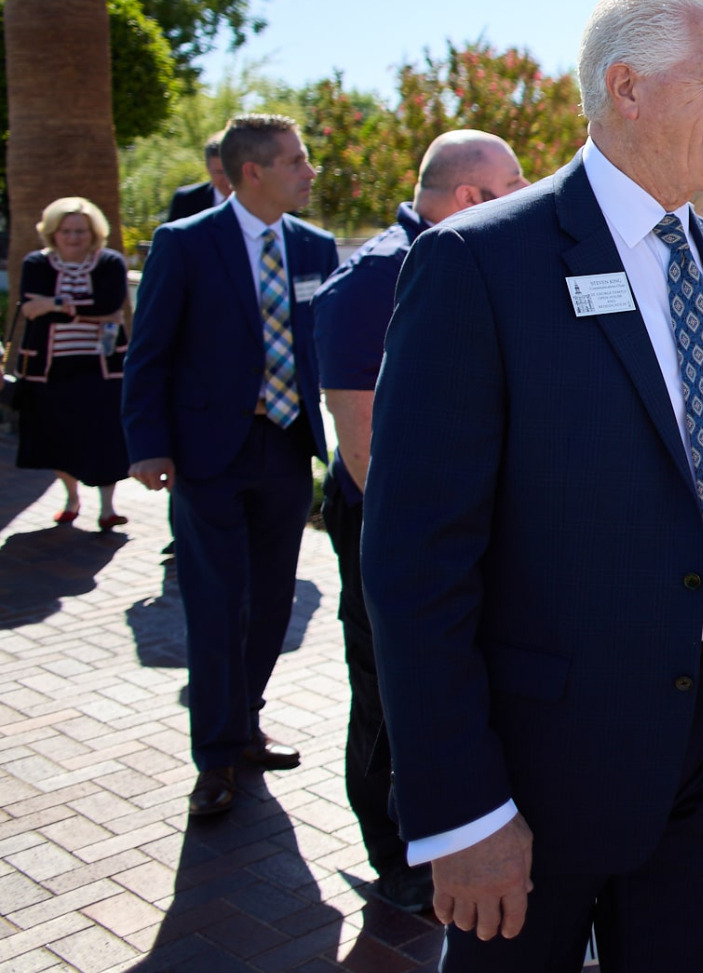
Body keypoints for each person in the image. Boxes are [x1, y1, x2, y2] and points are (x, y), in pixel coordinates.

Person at [361, 0, 703, 972]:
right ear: (626, 87)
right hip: (538, 771)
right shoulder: (478, 265)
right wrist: (463, 811)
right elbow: (414, 562)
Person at [312, 130, 528, 914]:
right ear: (471, 196)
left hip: (465, 522)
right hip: (389, 525)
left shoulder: (478, 258)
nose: (527, 196)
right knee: (385, 680)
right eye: (514, 184)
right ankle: (394, 849)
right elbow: (364, 447)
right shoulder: (373, 278)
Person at [123, 113, 339, 819]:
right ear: (253, 171)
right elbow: (149, 352)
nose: (310, 172)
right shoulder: (185, 243)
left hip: (287, 448)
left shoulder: (314, 246)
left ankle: (245, 721)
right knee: (216, 603)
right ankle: (214, 757)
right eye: (297, 161)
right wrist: (147, 444)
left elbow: (324, 343)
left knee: (272, 600)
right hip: (208, 453)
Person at [12, 198, 131, 531]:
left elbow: (110, 303)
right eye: (66, 231)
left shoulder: (109, 262)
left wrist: (54, 304)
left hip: (102, 367)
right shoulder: (36, 263)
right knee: (57, 437)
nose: (74, 237)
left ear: (94, 232)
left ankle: (108, 509)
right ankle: (71, 499)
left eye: (81, 231)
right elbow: (32, 309)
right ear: (53, 233)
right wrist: (87, 309)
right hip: (50, 370)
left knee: (105, 437)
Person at [165, 131, 232, 223]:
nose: (228, 179)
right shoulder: (186, 201)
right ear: (207, 169)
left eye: (232, 171)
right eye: (220, 172)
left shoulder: (252, 202)